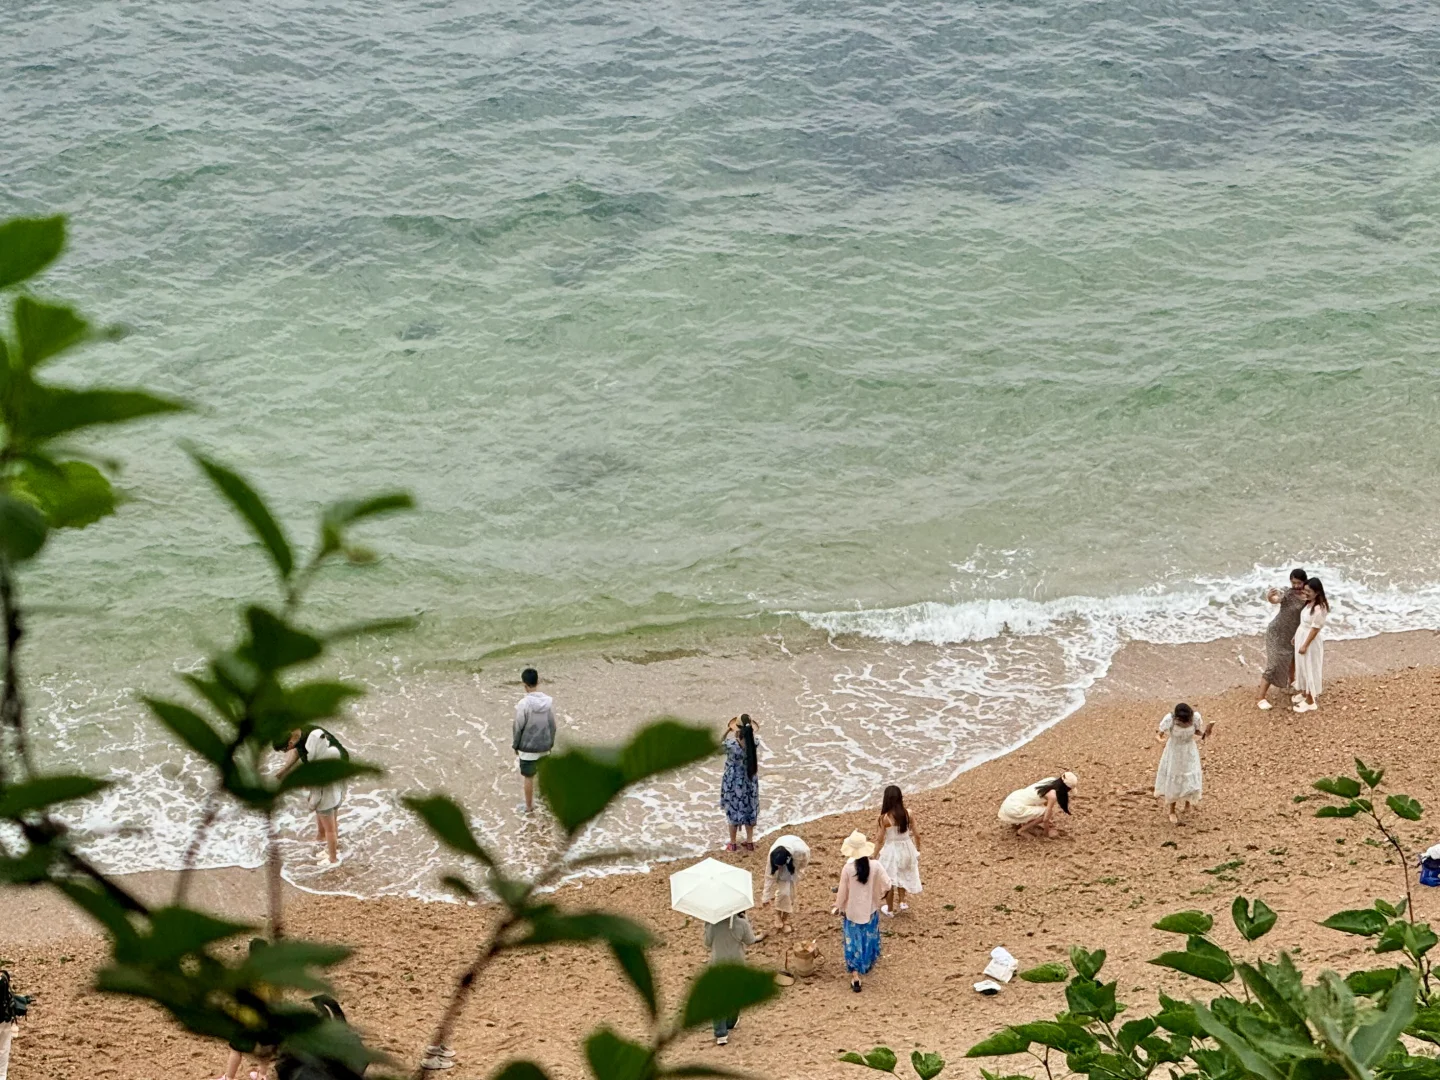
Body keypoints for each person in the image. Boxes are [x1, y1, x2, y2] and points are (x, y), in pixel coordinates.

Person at [276, 727, 349, 867]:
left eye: (286, 748)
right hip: (334, 785)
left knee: (330, 828)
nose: (287, 751)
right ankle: (325, 843)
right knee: (332, 819)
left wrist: (312, 800)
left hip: (324, 792)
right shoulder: (326, 750)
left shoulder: (314, 756)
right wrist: (285, 769)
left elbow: (315, 789)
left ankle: (332, 858)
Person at [835, 831, 890, 992]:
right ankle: (866, 964)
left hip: (852, 912)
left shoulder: (848, 869)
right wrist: (879, 894)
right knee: (868, 937)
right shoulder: (876, 866)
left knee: (853, 942)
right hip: (870, 909)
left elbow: (842, 893)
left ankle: (855, 974)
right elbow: (887, 884)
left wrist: (838, 906)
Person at [702, 910, 757, 1045]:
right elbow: (750, 940)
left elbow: (707, 943)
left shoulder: (713, 924)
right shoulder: (741, 924)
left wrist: (707, 924)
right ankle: (731, 1022)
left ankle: (721, 1033)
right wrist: (746, 920)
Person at [1257, 568, 1308, 710]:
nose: (1296, 586)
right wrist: (1270, 597)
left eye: (1299, 583)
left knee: (1292, 660)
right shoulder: (1288, 593)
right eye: (1293, 583)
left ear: (1304, 582)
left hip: (1293, 635)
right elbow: (1276, 600)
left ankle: (1291, 685)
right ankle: (1261, 698)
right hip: (1276, 632)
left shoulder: (1309, 596)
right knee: (1273, 664)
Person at [1154, 703, 1212, 825]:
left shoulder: (1194, 718)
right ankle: (1172, 810)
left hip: (1189, 751)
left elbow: (1197, 732)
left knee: (1189, 775)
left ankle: (1187, 803)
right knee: (1174, 778)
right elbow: (1158, 735)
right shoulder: (1170, 719)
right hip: (1175, 752)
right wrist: (1161, 740)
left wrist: (1205, 733)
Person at [513, 667, 556, 814]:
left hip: (528, 747)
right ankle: (546, 801)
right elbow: (552, 725)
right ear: (538, 681)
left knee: (529, 777)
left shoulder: (523, 704)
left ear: (524, 685)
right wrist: (550, 742)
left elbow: (518, 726)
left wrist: (515, 745)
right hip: (544, 745)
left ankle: (529, 807)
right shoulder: (547, 703)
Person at [873, 785, 921, 917]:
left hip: (891, 850)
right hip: (906, 847)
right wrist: (918, 849)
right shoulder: (908, 813)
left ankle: (889, 909)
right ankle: (902, 901)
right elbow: (917, 834)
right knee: (903, 872)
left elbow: (879, 839)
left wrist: (874, 855)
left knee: (889, 879)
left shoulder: (884, 818)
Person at [720, 714, 759, 852]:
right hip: (750, 779)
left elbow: (720, 743)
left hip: (733, 782)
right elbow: (753, 736)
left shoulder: (731, 745)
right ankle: (749, 842)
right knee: (749, 809)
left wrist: (727, 731)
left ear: (736, 729)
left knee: (733, 811)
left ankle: (733, 843)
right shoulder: (754, 743)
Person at [998, 772, 1078, 838]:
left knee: (1043, 811)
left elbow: (1042, 801)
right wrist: (1046, 832)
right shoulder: (1053, 795)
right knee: (1046, 813)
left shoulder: (1050, 780)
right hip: (1015, 808)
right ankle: (1022, 830)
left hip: (1013, 799)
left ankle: (1024, 822)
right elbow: (1045, 818)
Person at [1293, 577, 1330, 713]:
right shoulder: (1309, 603)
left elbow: (1315, 629)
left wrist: (1305, 645)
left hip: (1310, 640)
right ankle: (1304, 692)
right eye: (1305, 590)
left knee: (1309, 667)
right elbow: (1304, 623)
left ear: (1317, 592)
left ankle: (1310, 701)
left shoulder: (1320, 609)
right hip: (1302, 635)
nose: (1305, 593)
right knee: (1302, 666)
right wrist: (1295, 637)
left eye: (1309, 591)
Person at [761, 834, 810, 933]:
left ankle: (784, 920)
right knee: (784, 893)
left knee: (791, 895)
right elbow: (769, 876)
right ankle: (778, 914)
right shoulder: (773, 854)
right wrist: (766, 897)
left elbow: (804, 863)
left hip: (793, 866)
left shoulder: (801, 851)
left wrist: (798, 875)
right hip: (784, 866)